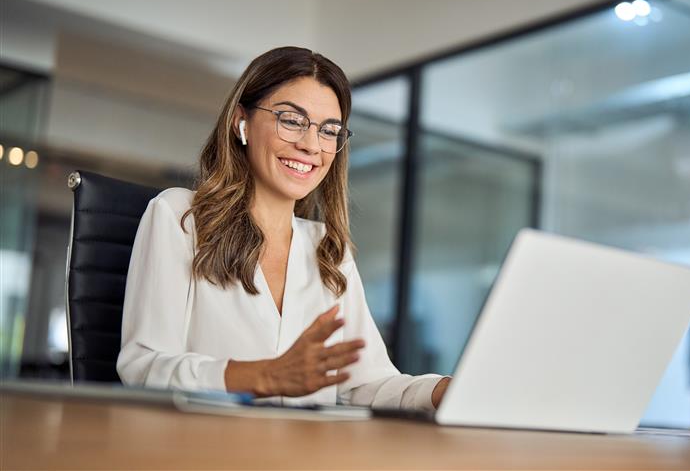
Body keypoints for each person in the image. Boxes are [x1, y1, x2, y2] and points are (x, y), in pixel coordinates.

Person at [117, 46, 451, 410]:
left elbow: (367, 384)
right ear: (240, 121)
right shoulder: (179, 216)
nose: (310, 145)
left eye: (329, 130)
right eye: (291, 120)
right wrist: (263, 376)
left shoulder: (327, 251)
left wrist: (444, 390)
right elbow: (143, 367)